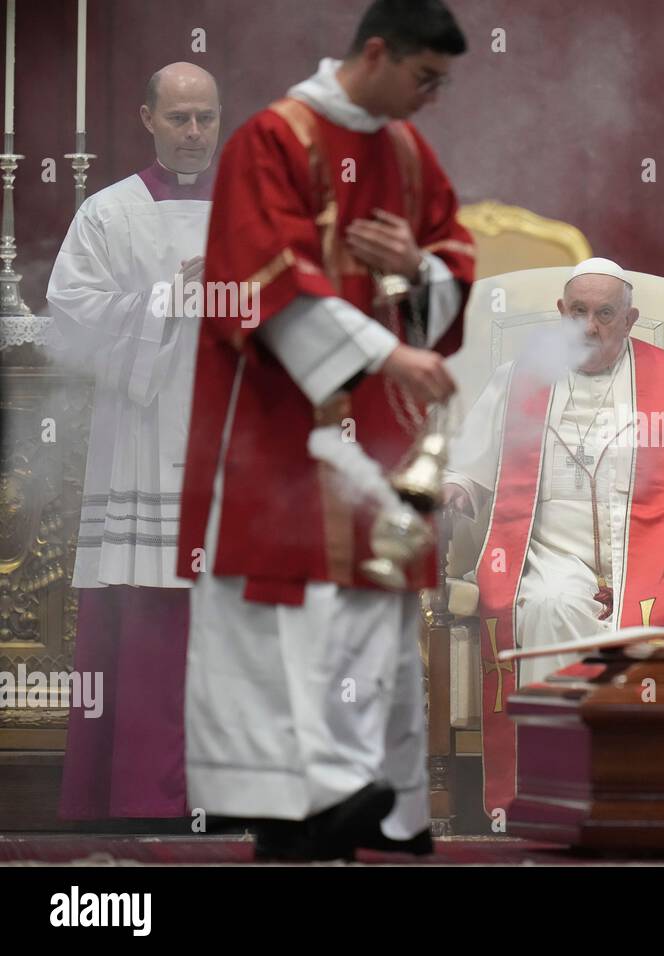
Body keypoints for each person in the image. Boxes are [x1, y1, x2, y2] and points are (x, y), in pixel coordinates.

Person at [175, 0, 474, 859]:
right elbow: (259, 275)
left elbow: (452, 252)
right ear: (375, 54)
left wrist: (418, 271)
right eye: (423, 79)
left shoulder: (408, 154)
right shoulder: (270, 140)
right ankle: (294, 811)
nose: (429, 101)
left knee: (370, 611)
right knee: (284, 616)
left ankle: (370, 804)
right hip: (275, 427)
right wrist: (388, 355)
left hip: (377, 434)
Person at [444, 257, 664, 813]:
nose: (590, 327)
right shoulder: (517, 380)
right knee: (545, 606)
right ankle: (558, 793)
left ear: (630, 318)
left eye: (606, 314)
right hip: (551, 553)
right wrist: (457, 489)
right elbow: (468, 465)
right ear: (561, 313)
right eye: (580, 313)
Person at [47, 62, 221, 822]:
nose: (192, 133)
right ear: (147, 118)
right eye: (178, 117)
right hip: (144, 438)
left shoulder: (258, 214)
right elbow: (71, 317)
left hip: (232, 444)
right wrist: (167, 297)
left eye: (205, 118)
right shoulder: (108, 212)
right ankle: (141, 799)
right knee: (149, 626)